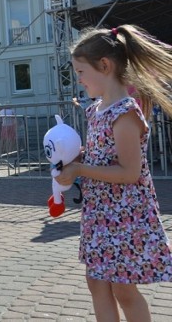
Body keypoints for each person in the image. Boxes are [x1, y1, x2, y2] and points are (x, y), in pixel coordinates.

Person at [55, 25, 172, 321]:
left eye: (81, 72)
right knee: (96, 282)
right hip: (101, 214)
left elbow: (130, 172)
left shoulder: (125, 113)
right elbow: (101, 156)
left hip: (125, 216)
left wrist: (80, 168)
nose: (78, 80)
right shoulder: (96, 110)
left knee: (124, 290)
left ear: (104, 66)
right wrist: (73, 158)